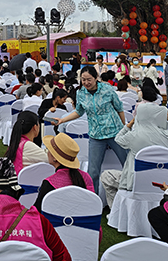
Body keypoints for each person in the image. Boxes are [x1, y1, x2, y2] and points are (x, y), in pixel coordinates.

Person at [100, 87, 168, 207]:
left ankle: (116, 210)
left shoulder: (133, 136)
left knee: (106, 176)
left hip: (135, 184)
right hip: (164, 183)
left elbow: (118, 139)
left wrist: (130, 124)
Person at [52, 65, 127, 195]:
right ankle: (93, 199)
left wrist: (123, 128)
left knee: (127, 164)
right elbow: (79, 112)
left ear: (96, 78)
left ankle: (127, 194)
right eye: (83, 79)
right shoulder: (81, 93)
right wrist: (62, 120)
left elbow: (119, 108)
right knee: (93, 171)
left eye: (89, 79)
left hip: (115, 132)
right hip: (96, 135)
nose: (86, 82)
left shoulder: (107, 90)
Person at [34, 132, 94, 211]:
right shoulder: (86, 177)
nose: (47, 152)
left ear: (54, 158)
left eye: (48, 150)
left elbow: (37, 212)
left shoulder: (49, 183)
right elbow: (92, 205)